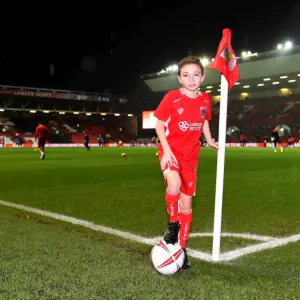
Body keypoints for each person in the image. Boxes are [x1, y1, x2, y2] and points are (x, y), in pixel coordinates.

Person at [153, 55, 218, 269]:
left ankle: (182, 249)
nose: (191, 79)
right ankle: (173, 224)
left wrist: (208, 140)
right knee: (174, 184)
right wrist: (167, 151)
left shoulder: (206, 99)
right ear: (179, 79)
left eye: (196, 75)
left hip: (191, 156)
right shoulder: (172, 97)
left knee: (187, 204)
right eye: (186, 75)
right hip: (170, 150)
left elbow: (204, 120)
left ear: (203, 77)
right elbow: (159, 124)